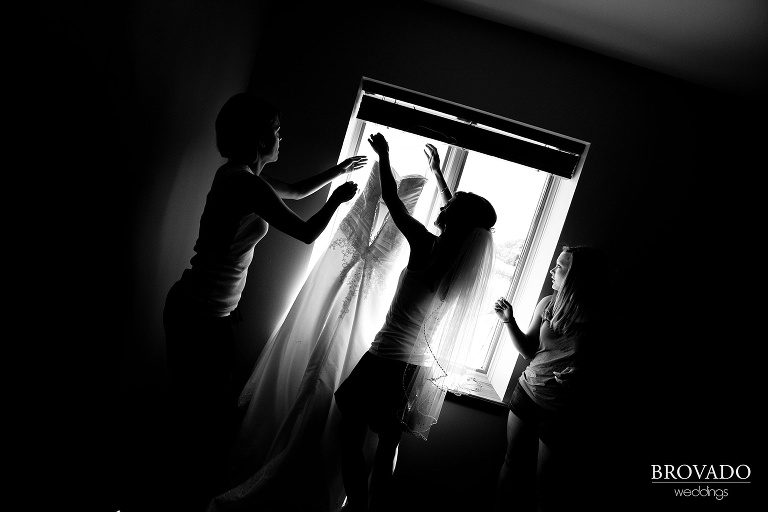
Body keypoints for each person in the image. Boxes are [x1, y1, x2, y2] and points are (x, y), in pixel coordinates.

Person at [162, 92, 364, 511]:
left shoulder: (240, 175)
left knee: (199, 410)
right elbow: (306, 231)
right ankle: (183, 496)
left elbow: (292, 190)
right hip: (198, 316)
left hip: (204, 311)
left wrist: (337, 170)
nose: (281, 138)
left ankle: (184, 491)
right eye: (274, 131)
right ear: (257, 140)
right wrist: (339, 201)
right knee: (202, 416)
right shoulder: (243, 184)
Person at [334, 133, 497, 512]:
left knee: (349, 435)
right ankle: (374, 509)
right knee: (389, 443)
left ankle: (356, 507)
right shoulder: (459, 264)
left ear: (454, 219)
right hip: (414, 366)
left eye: (452, 206)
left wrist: (386, 154)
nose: (447, 205)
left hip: (386, 358)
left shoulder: (426, 245)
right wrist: (439, 175)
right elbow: (457, 211)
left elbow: (392, 201)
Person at [493, 245, 608, 512]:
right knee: (511, 463)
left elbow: (606, 367)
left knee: (547, 487)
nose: (552, 271)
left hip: (562, 412)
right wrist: (509, 321)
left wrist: (585, 375)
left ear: (577, 276)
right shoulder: (548, 303)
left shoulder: (601, 318)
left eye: (560, 267)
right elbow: (528, 351)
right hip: (527, 393)